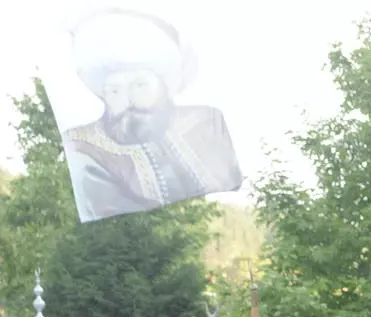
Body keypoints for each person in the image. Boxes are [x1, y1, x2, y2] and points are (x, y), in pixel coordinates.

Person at [60, 8, 242, 223]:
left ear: (163, 86)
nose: (128, 101)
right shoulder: (85, 147)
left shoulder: (206, 123)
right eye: (115, 91)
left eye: (140, 85)